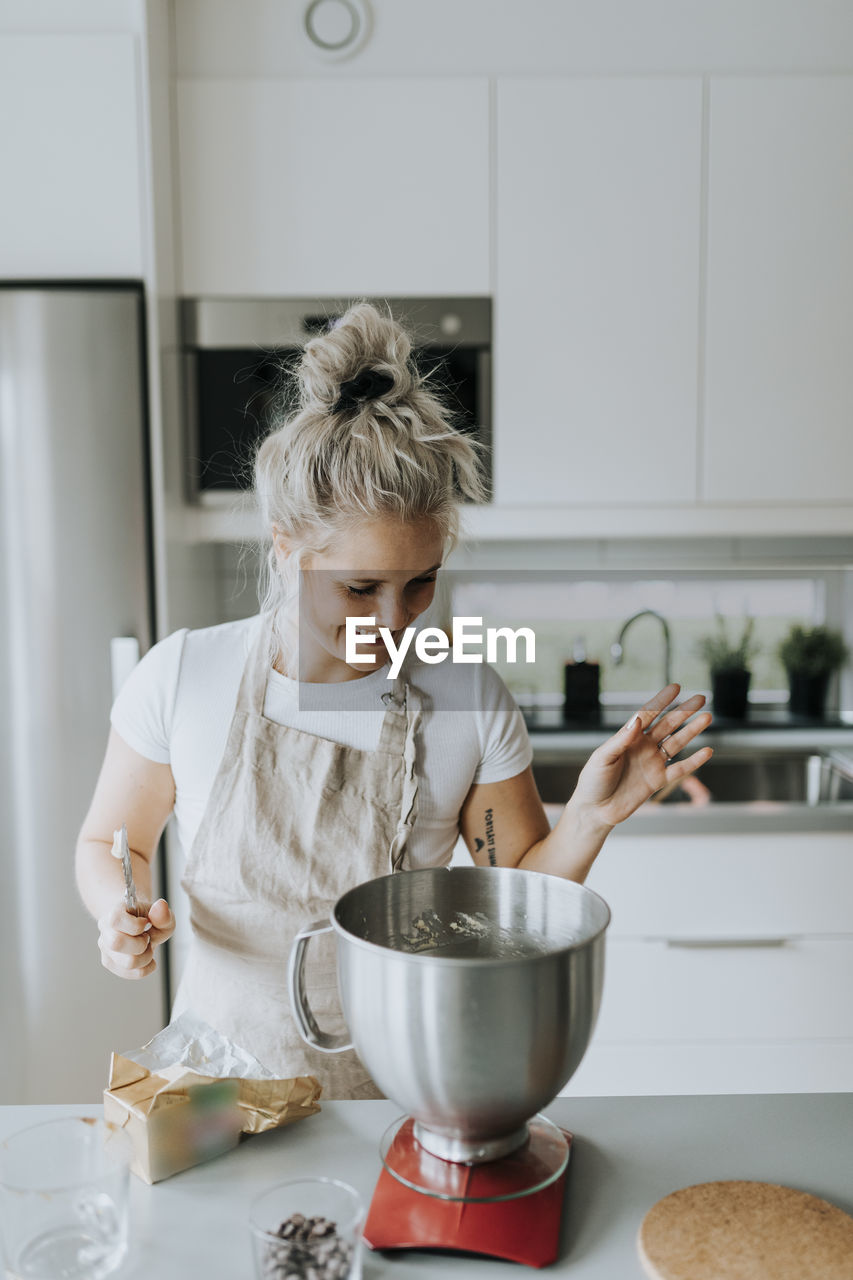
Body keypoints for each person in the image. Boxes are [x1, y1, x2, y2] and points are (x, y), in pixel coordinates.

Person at [75, 303, 712, 1098]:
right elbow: (112, 843)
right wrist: (117, 914)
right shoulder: (185, 676)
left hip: (402, 1091)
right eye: (358, 587)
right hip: (217, 1098)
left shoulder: (466, 700)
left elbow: (514, 899)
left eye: (419, 584)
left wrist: (588, 817)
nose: (393, 619)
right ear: (286, 548)